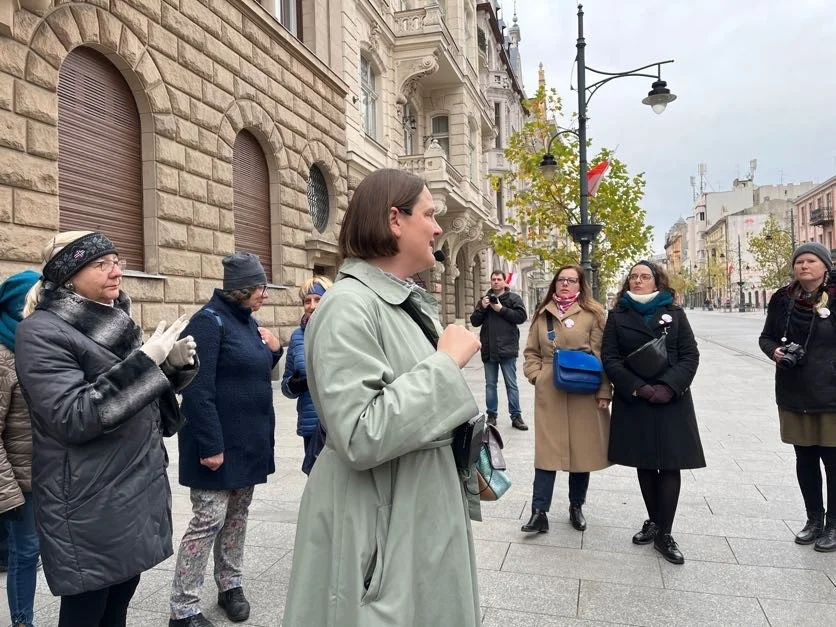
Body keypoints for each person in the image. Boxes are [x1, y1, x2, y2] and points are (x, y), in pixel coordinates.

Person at [282, 169, 483, 626]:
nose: (437, 227)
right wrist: (445, 365)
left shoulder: (398, 301)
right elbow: (359, 433)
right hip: (378, 520)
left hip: (414, 506)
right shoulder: (348, 305)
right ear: (395, 219)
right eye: (429, 215)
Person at [14, 231, 196, 626]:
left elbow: (135, 402)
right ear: (67, 277)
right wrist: (145, 365)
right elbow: (72, 416)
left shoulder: (114, 322)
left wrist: (170, 370)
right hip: (88, 499)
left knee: (118, 602)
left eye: (118, 261)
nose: (116, 272)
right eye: (101, 264)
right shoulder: (41, 332)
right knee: (87, 609)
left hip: (132, 490)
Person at [169, 252, 282, 627]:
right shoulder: (208, 321)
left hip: (248, 443)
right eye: (261, 287)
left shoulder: (249, 323)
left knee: (237, 517)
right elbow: (197, 391)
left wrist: (275, 350)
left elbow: (253, 370)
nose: (265, 293)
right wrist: (212, 445)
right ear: (242, 289)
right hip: (217, 445)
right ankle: (183, 608)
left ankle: (230, 586)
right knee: (208, 520)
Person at [601, 260, 704, 565]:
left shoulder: (674, 313)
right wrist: (638, 388)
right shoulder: (617, 316)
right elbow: (610, 357)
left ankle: (665, 533)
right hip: (636, 400)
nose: (638, 281)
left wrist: (669, 387)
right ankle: (654, 521)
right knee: (645, 463)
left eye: (644, 276)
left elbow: (690, 354)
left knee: (670, 464)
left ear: (657, 281)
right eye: (633, 276)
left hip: (672, 399)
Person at [521, 265, 611, 534]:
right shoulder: (542, 312)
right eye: (561, 280)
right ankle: (539, 512)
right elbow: (531, 352)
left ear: (580, 285)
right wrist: (536, 375)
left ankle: (576, 506)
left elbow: (602, 355)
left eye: (571, 281)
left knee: (582, 451)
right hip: (550, 390)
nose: (565, 284)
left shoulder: (593, 314)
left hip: (584, 388)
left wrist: (605, 391)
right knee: (547, 452)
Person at [758, 242, 836, 552]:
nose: (804, 266)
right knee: (804, 457)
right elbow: (766, 337)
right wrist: (774, 351)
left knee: (832, 460)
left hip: (831, 392)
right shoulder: (782, 299)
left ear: (825, 266)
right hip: (793, 390)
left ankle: (833, 525)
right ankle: (813, 519)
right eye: (799, 261)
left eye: (811, 261)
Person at [0, 270, 41, 627]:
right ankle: (22, 621)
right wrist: (8, 492)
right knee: (25, 552)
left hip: (54, 470)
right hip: (21, 480)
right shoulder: (3, 357)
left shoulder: (40, 345)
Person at [282, 275, 333, 475]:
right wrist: (294, 385)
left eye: (318, 299)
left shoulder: (341, 329)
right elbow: (286, 384)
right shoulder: (297, 337)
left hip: (338, 422)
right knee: (315, 482)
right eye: (307, 300)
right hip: (311, 424)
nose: (311, 306)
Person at [470, 270, 528, 429]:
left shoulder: (513, 298)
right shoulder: (484, 300)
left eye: (498, 279)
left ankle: (516, 417)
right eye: (493, 279)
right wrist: (482, 307)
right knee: (490, 385)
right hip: (489, 349)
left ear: (504, 282)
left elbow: (521, 317)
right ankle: (492, 416)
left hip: (507, 349)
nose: (495, 281)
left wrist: (501, 309)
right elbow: (474, 322)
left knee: (511, 384)